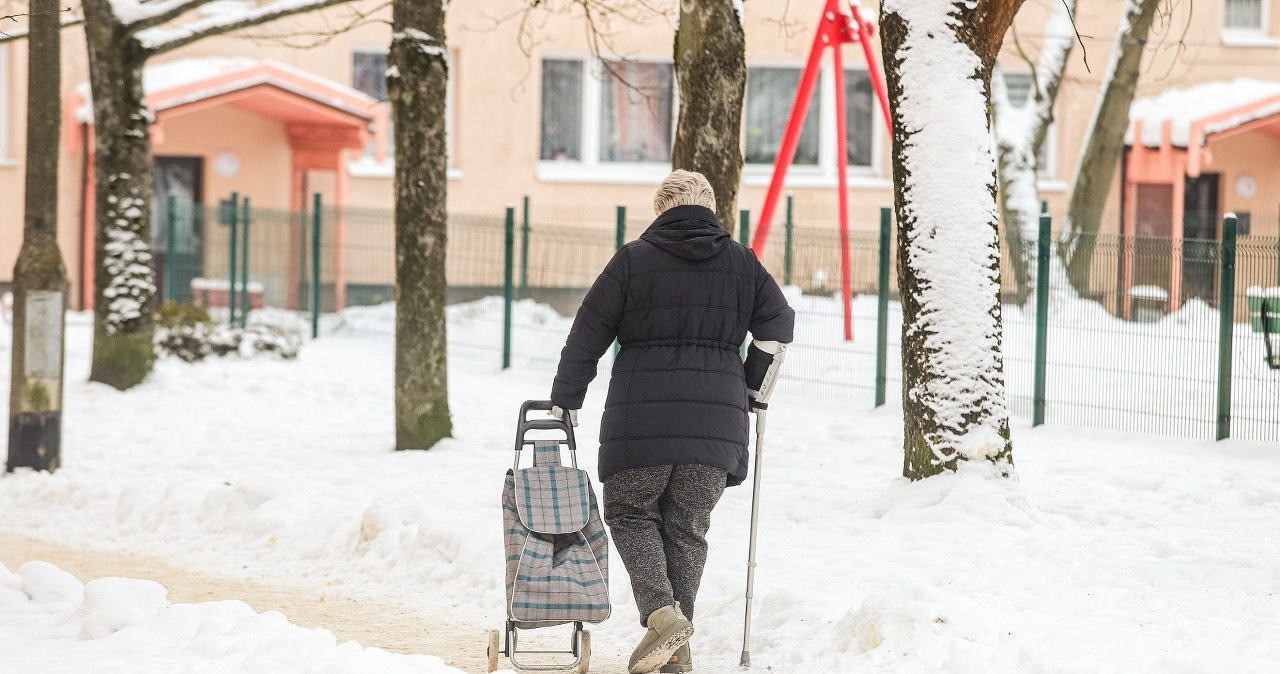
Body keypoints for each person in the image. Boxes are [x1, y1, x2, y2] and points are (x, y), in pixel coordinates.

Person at [550, 170, 794, 673]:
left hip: (640, 422)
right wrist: (749, 388)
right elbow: (777, 327)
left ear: (661, 210)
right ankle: (675, 654)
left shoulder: (634, 261)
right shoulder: (743, 263)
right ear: (710, 207)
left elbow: (587, 334)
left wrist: (565, 399)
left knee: (630, 511)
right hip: (716, 424)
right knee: (687, 529)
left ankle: (663, 618)